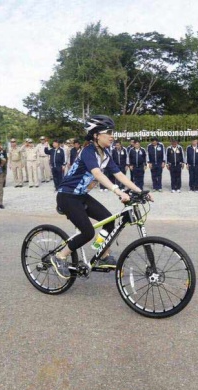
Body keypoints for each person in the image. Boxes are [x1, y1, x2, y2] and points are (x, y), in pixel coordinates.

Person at [50, 115, 153, 279]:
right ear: (96, 135)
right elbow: (97, 174)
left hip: (81, 196)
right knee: (87, 232)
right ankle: (60, 257)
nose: (112, 136)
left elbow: (119, 174)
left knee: (109, 221)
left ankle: (102, 255)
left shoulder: (105, 154)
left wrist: (140, 191)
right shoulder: (88, 151)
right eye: (109, 132)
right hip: (67, 196)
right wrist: (118, 191)